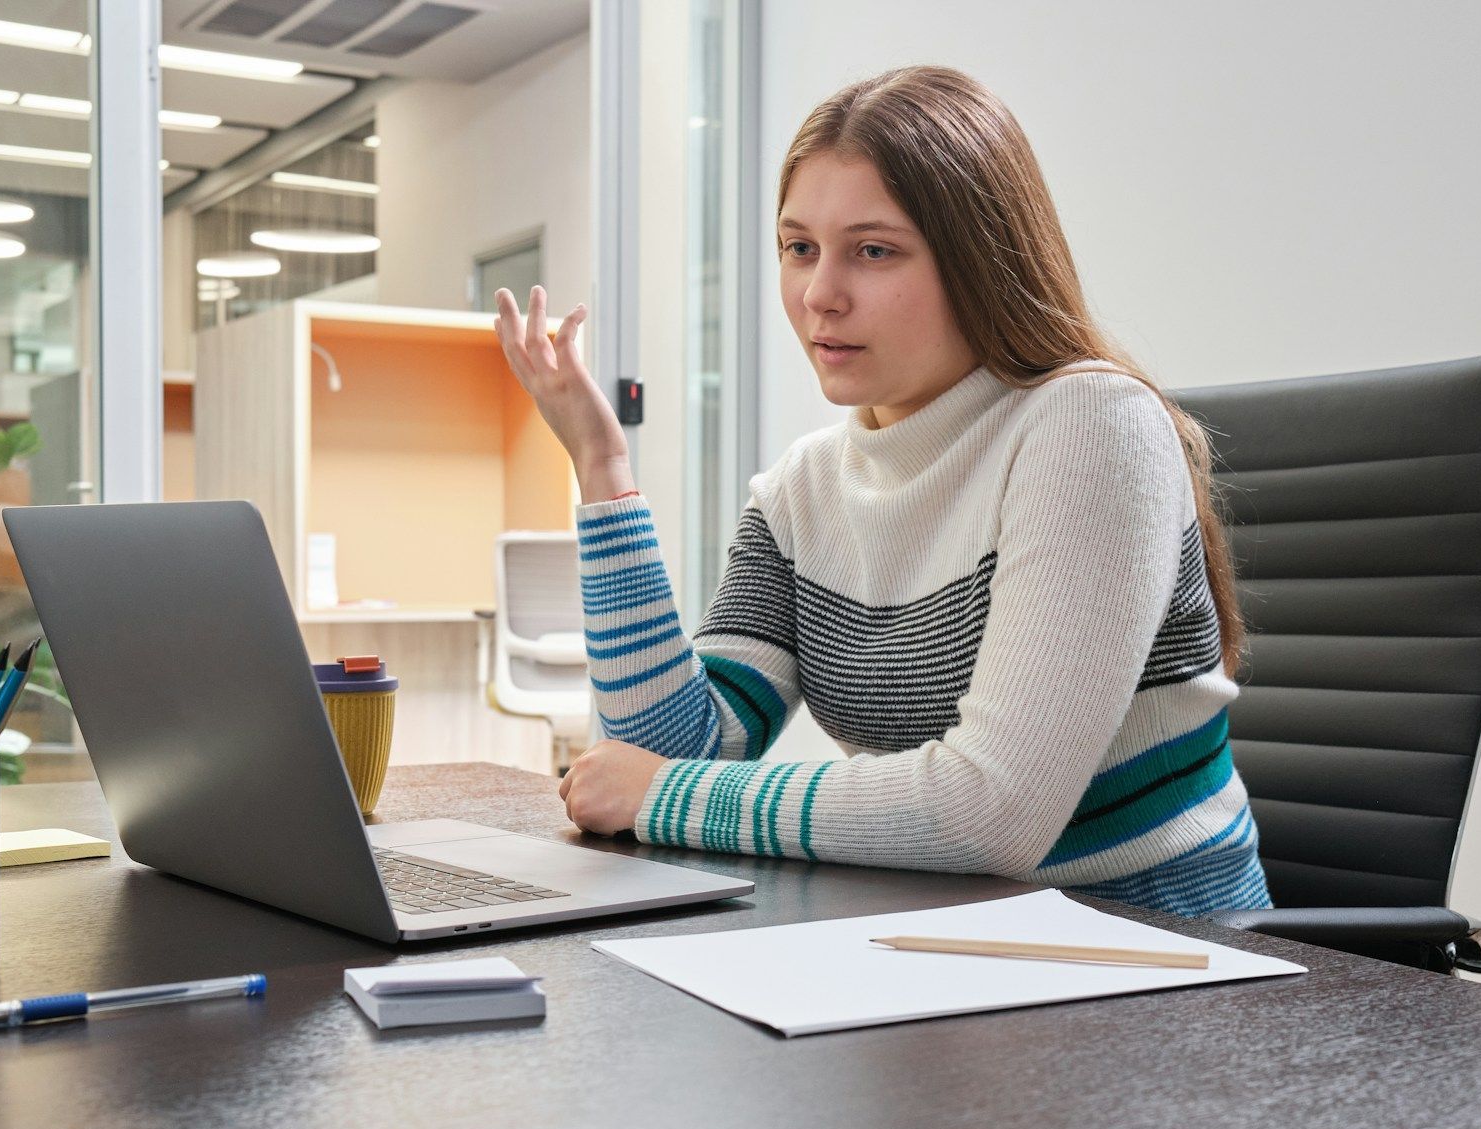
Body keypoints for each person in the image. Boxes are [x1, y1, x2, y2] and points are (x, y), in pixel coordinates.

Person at [492, 65, 1269, 915]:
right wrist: (605, 477)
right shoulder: (803, 489)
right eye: (799, 248)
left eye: (873, 251)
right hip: (935, 946)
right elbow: (666, 758)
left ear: (982, 260)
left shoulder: (1090, 425)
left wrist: (664, 795)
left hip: (1158, 957)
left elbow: (993, 813)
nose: (820, 295)